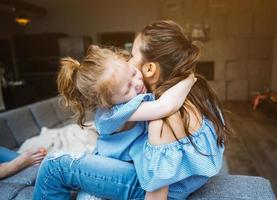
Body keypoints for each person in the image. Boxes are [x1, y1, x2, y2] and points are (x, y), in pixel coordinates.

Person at [33, 20, 233, 200]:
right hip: (125, 164)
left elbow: (156, 193)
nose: (130, 61)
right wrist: (189, 76)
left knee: (54, 166)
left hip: (141, 182)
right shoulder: (189, 97)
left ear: (150, 69)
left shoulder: (163, 120)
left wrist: (188, 78)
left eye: (133, 55)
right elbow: (164, 106)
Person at [56, 45, 195, 199]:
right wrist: (189, 79)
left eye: (133, 72)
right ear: (106, 103)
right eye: (127, 88)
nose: (137, 82)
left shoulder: (131, 95)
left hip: (127, 167)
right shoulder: (111, 114)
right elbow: (165, 106)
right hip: (106, 169)